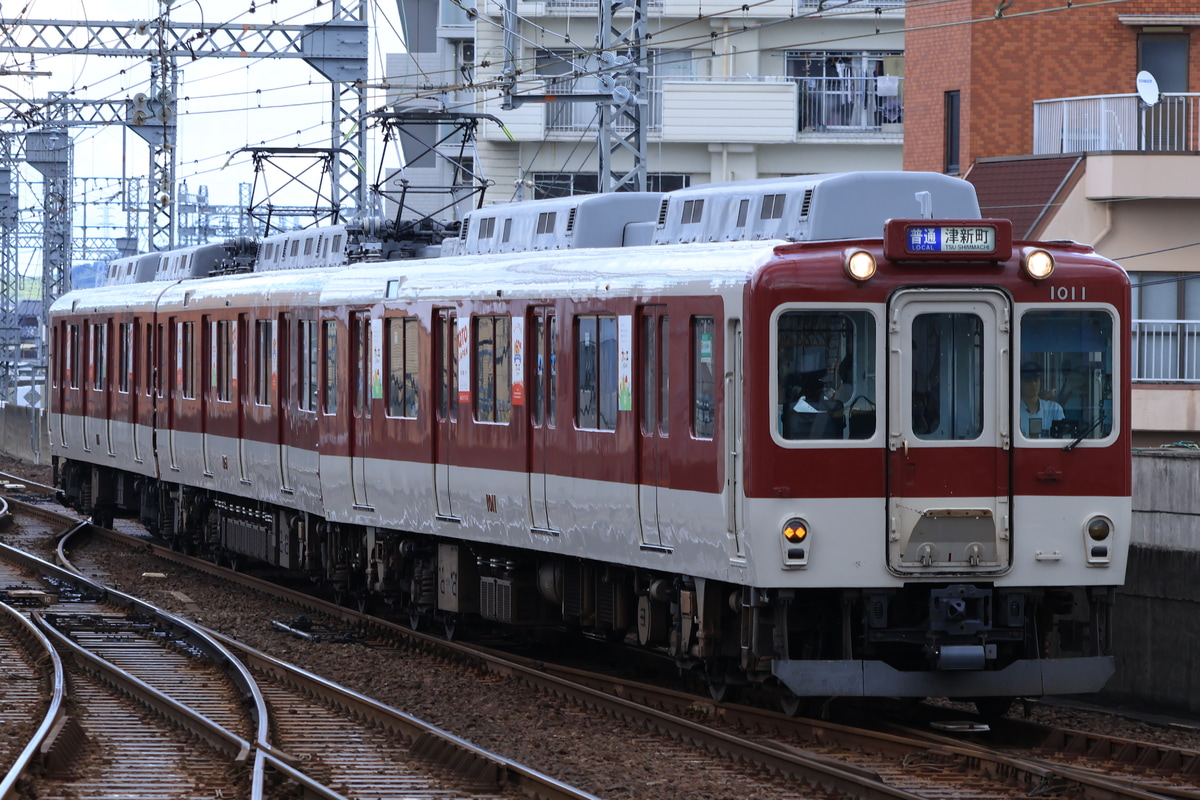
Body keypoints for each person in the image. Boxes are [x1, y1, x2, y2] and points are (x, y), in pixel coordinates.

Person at [1019, 361, 1064, 438]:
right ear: (1020, 383)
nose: (1033, 384)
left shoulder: (1054, 409)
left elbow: (1063, 438)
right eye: (1028, 380)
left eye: (1036, 380)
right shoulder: (1012, 412)